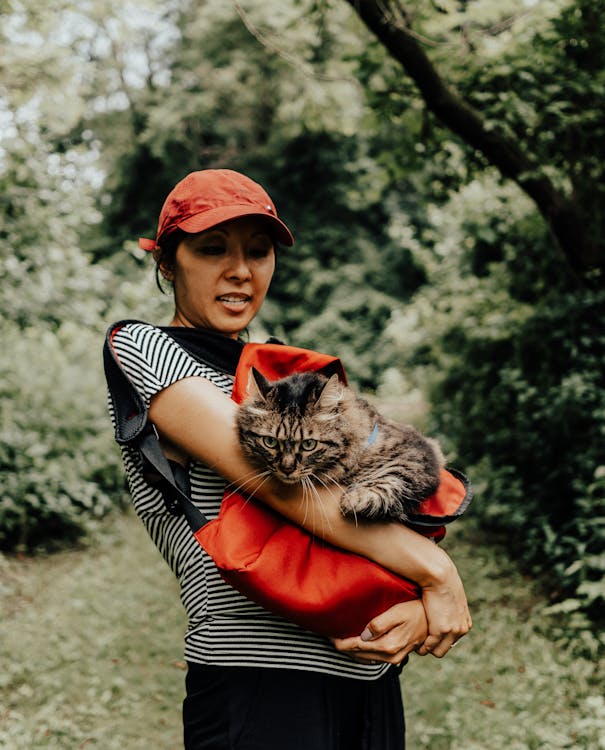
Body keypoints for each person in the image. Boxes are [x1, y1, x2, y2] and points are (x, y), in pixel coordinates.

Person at [107, 168, 471, 749]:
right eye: (211, 250)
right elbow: (284, 490)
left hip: (367, 674)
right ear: (167, 262)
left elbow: (376, 490)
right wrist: (440, 575)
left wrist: (420, 606)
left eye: (258, 251)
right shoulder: (143, 348)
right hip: (258, 687)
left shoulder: (275, 373)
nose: (240, 270)